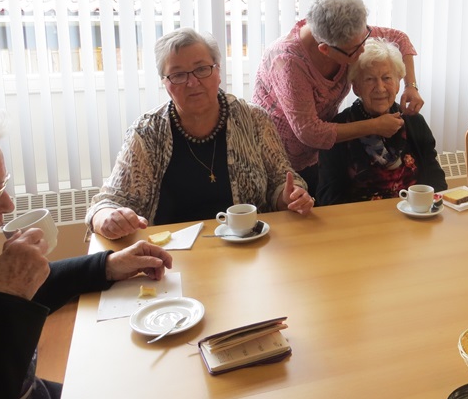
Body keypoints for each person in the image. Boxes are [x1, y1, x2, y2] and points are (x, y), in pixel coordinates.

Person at [0, 118, 173, 399]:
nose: (9, 204)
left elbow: (33, 291)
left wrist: (108, 266)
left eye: (3, 186)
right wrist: (7, 296)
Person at [87, 28, 314, 240]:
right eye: (177, 75)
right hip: (173, 255)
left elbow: (281, 183)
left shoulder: (254, 119)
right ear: (165, 83)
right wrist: (106, 216)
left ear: (218, 72)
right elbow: (108, 202)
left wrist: (290, 198)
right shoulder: (148, 132)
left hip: (248, 247)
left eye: (202, 69)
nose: (192, 82)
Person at [252, 0, 424, 195]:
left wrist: (411, 87)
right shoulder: (287, 62)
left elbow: (400, 39)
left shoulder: (349, 36)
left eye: (365, 38)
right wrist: (374, 126)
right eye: (355, 50)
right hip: (280, 162)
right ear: (325, 49)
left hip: (319, 153)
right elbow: (309, 132)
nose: (363, 49)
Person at [317, 39, 446, 205]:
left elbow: (435, 179)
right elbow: (328, 197)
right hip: (361, 224)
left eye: (386, 78)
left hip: (413, 219)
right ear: (356, 87)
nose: (380, 88)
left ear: (398, 84)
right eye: (370, 79)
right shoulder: (340, 128)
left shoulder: (413, 121)